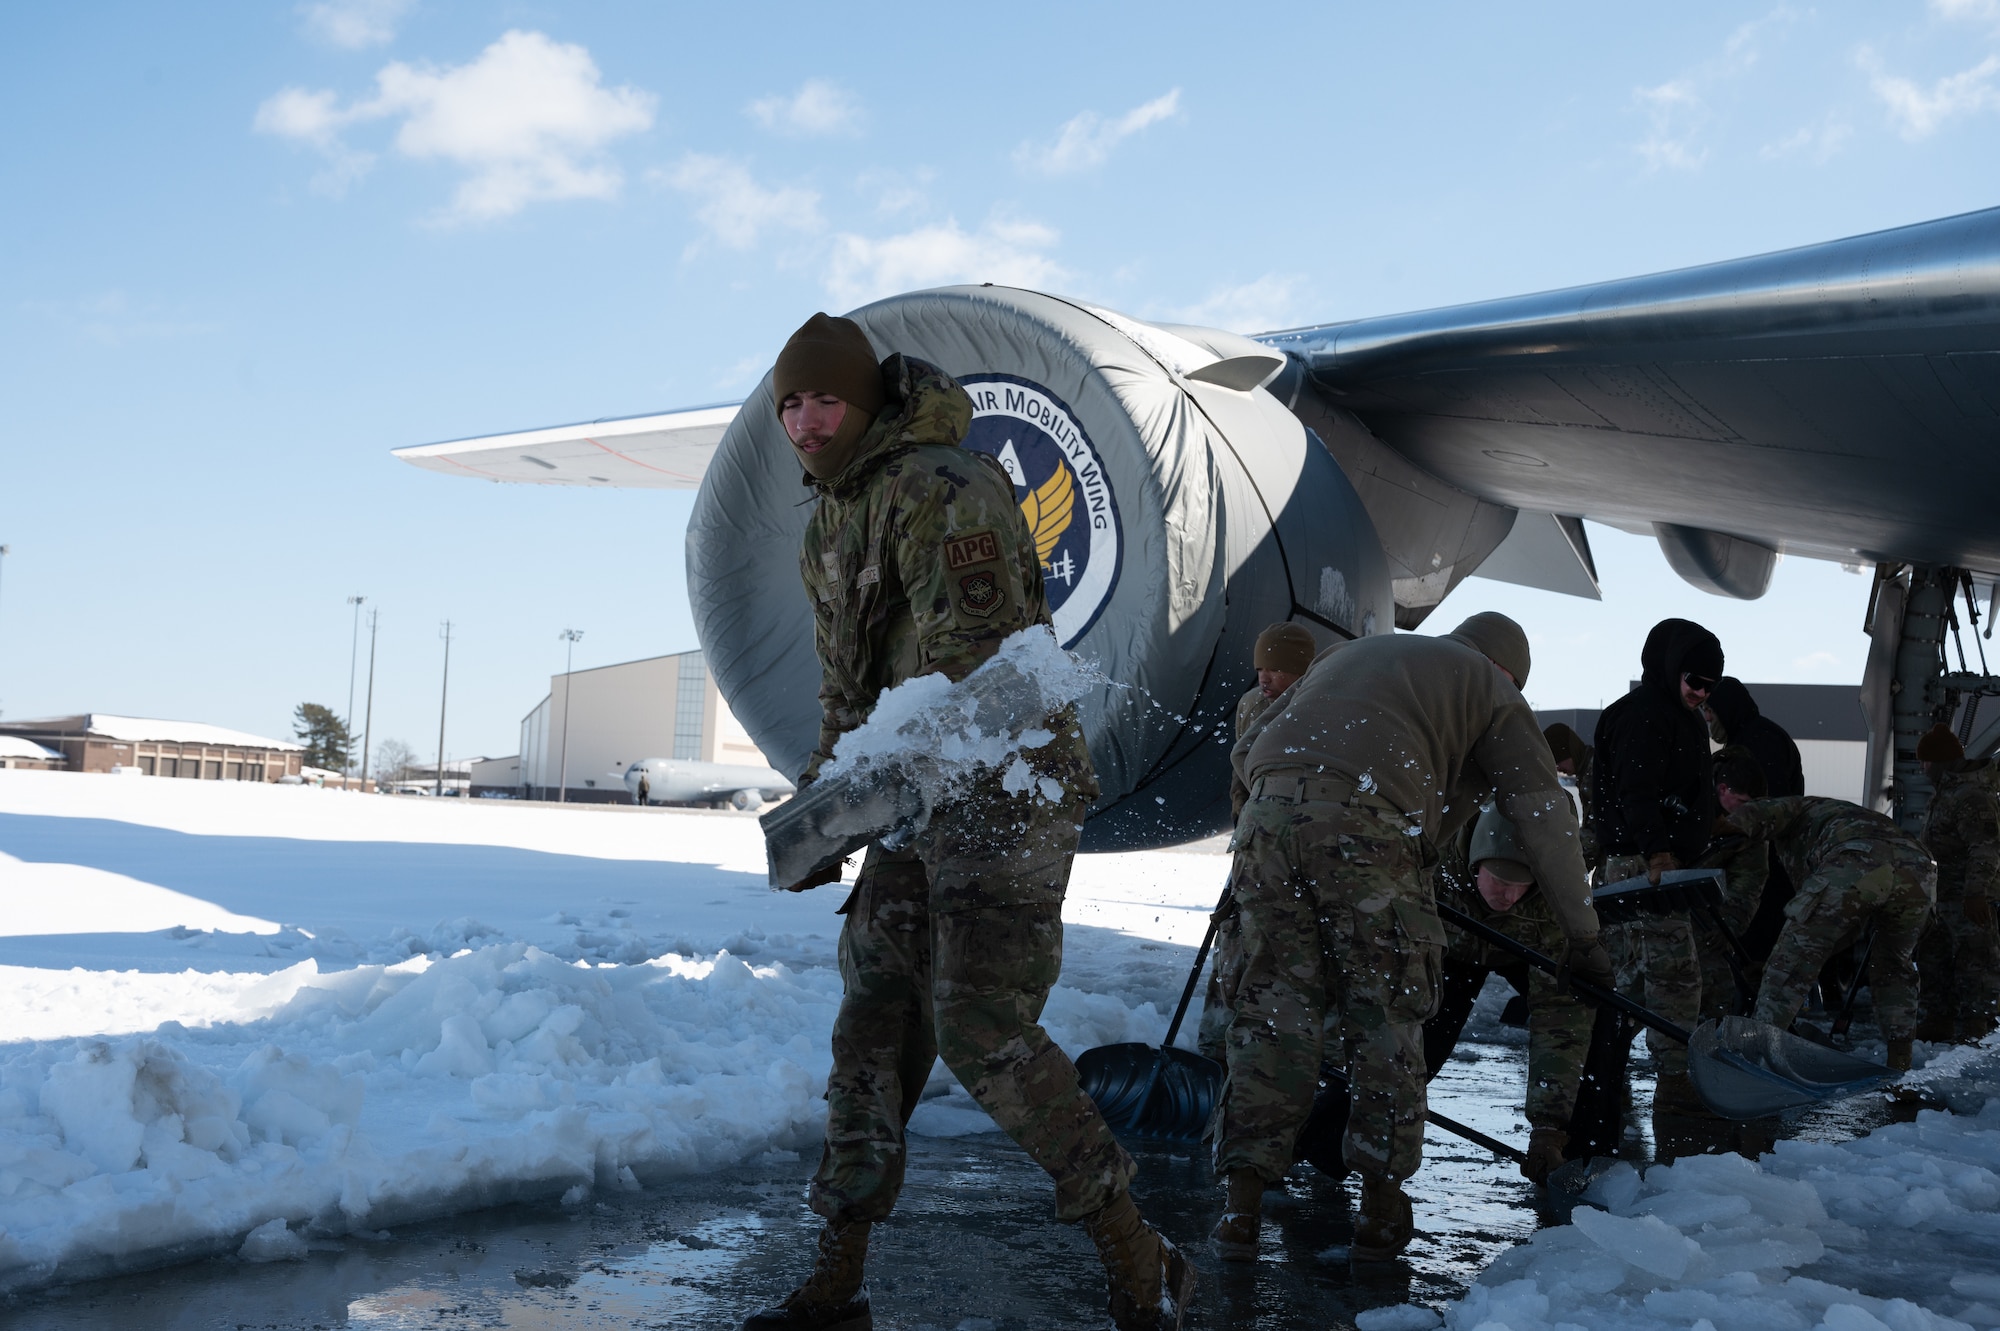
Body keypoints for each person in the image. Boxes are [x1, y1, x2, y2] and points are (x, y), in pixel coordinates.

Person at [747, 314, 1193, 1331]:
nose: (806, 422)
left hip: (1004, 782)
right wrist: (822, 815)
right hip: (913, 792)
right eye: (790, 404)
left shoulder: (941, 485)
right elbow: (848, 700)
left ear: (862, 402)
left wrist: (868, 794)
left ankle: (1138, 1254)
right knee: (872, 1012)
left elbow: (979, 671)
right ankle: (837, 1270)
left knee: (979, 1021)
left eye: (823, 400)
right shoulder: (831, 521)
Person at [1212, 611, 1608, 1264]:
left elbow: (1249, 741)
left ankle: (1241, 1201)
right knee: (1386, 1010)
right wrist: (1586, 940)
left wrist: (1260, 827)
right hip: (1369, 823)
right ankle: (1378, 1205)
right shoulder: (1493, 689)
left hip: (1267, 814)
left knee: (1273, 1007)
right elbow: (1542, 816)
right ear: (1510, 670)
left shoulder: (1356, 653)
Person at [1713, 770, 1936, 1072]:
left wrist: (1717, 832)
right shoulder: (1836, 813)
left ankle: (1756, 1059)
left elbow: (1752, 815)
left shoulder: (1794, 807)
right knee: (1893, 965)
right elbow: (1840, 929)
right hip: (1918, 868)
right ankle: (1900, 1060)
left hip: (1858, 859)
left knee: (1791, 957)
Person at [1423, 805, 1594, 1183]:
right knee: (1423, 1040)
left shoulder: (1552, 896)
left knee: (1592, 1004)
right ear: (1474, 866)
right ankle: (1326, 1135)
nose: (1510, 895)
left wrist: (1549, 1124)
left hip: (1520, 942)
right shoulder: (1428, 869)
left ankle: (1575, 1156)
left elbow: (1560, 1014)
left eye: (1522, 884)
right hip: (1449, 944)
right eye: (1500, 881)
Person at [1592, 618, 1723, 1108]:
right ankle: (1672, 1081)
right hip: (1645, 867)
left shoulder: (1676, 713)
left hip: (1649, 863)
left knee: (1631, 974)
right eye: (1695, 680)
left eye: (1712, 686)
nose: (1702, 692)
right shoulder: (1646, 714)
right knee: (1673, 976)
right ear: (1672, 669)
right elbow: (1637, 791)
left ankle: (1606, 1068)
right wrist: (1659, 851)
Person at [1196, 622, 1319, 1064]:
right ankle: (1213, 1053)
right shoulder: (1252, 705)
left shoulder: (1322, 704)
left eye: (1277, 669)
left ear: (1302, 671)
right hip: (1255, 844)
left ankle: (1282, 1057)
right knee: (1231, 941)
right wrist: (1246, 839)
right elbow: (1240, 782)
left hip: (1305, 854)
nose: (1264, 678)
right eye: (1260, 667)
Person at [1914, 725, 2000, 1042]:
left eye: (1925, 762)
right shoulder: (1947, 794)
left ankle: (1979, 1029)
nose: (1921, 769)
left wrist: (1975, 893)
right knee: (1933, 958)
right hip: (1943, 897)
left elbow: (1985, 847)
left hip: (1967, 898)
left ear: (1941, 762)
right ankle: (1938, 1021)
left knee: (1976, 963)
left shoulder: (1971, 797)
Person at [1543, 722, 1599, 875]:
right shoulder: (1588, 768)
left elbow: (1595, 829)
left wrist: (1573, 871)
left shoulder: (1593, 773)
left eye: (1558, 760)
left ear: (1570, 752)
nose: (1558, 769)